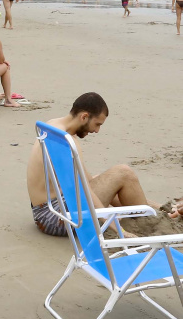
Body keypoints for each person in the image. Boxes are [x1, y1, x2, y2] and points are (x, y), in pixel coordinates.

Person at [26, 92, 169, 237]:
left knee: (106, 178)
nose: (96, 130)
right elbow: (85, 190)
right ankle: (151, 221)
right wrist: (120, 231)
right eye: (97, 124)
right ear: (84, 117)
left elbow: (87, 181)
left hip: (47, 209)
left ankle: (160, 210)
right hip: (56, 218)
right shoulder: (65, 142)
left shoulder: (53, 126)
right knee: (123, 173)